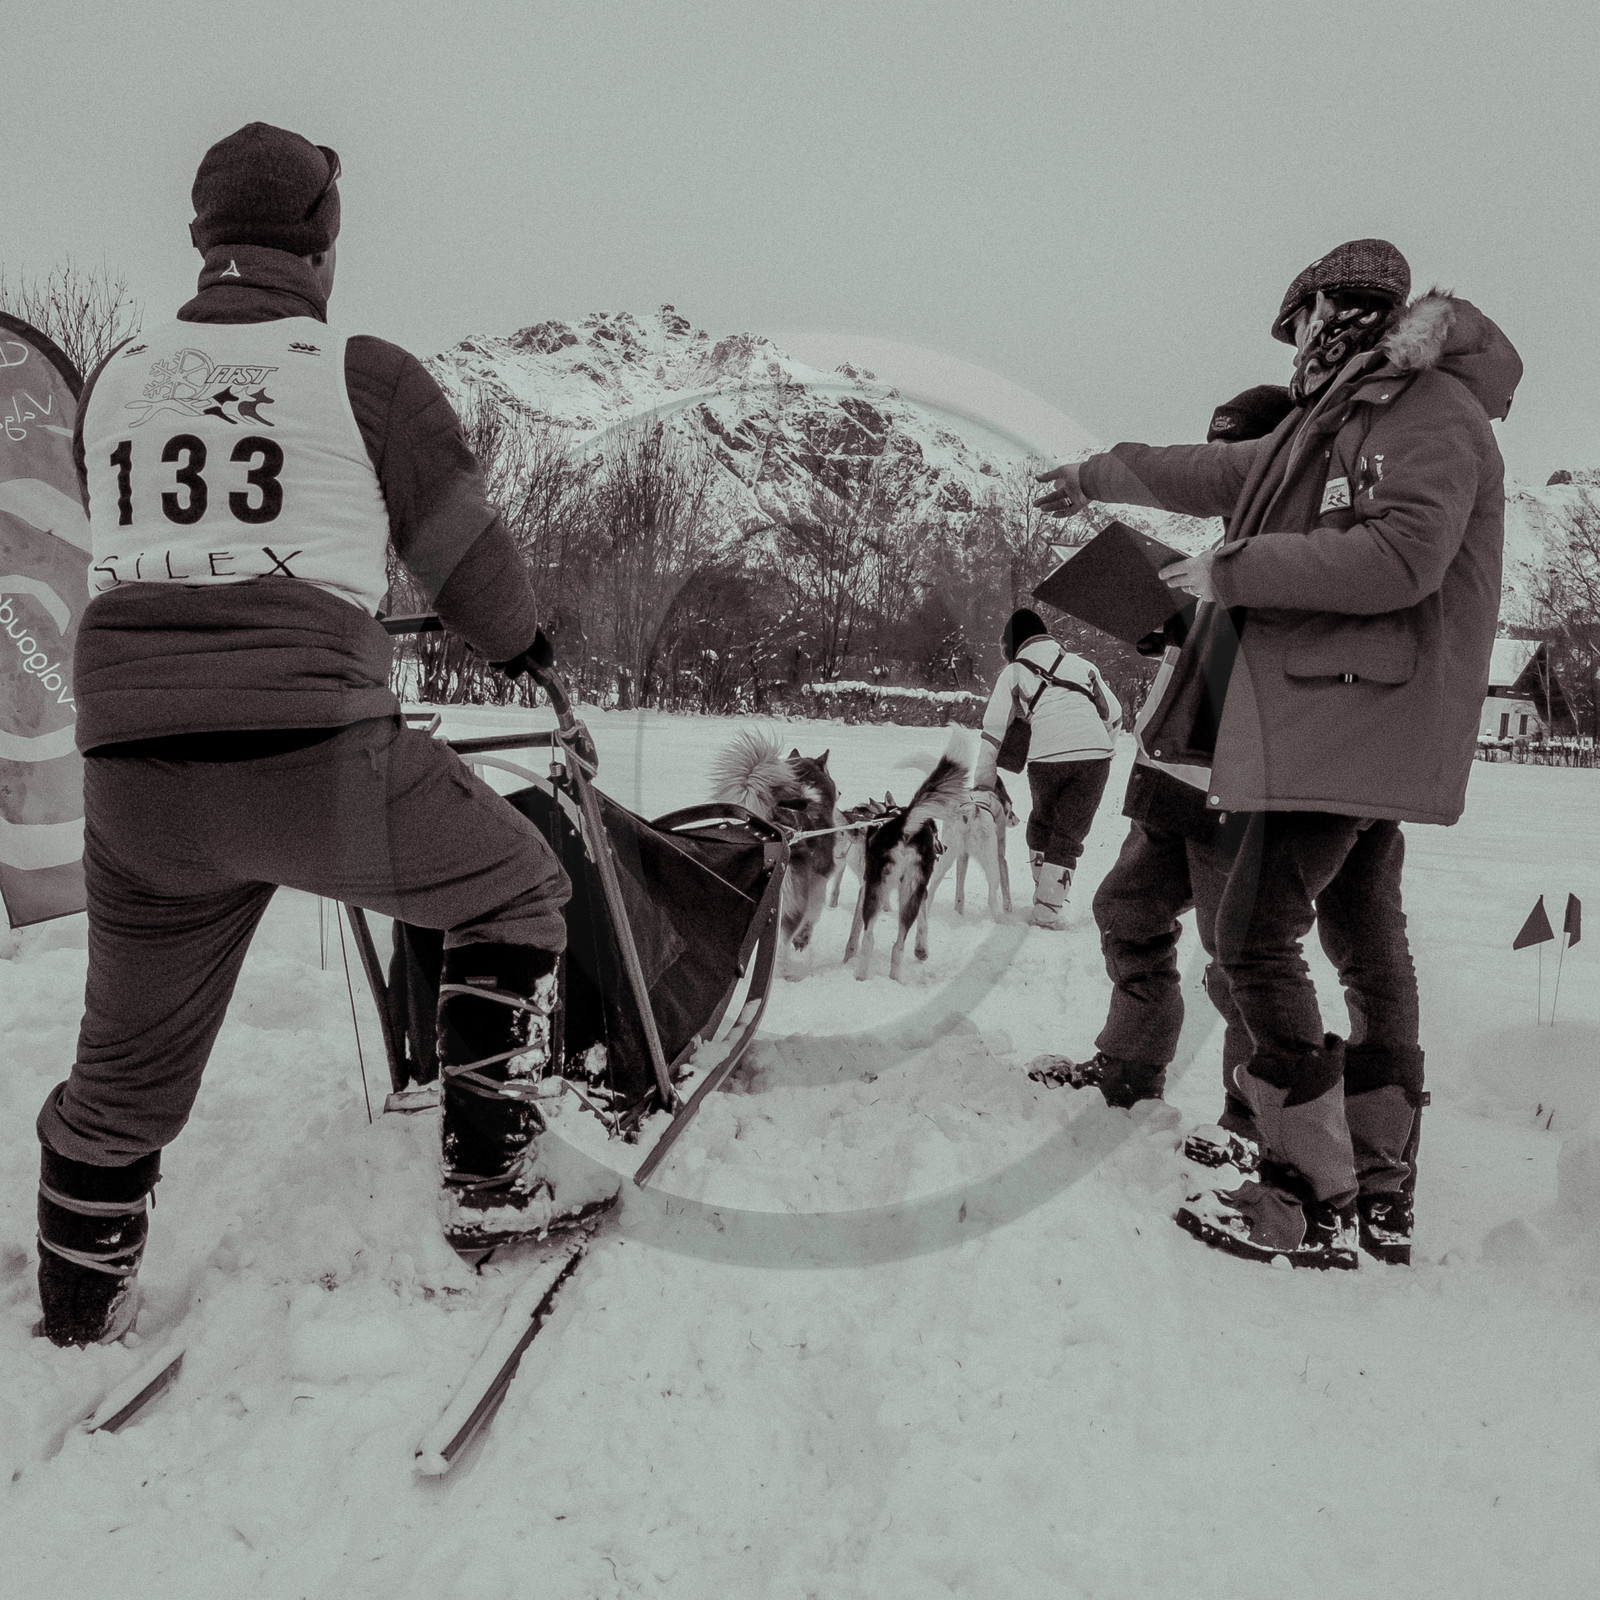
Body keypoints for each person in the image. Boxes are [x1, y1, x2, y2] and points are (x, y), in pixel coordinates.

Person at [35, 123, 591, 1348]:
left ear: (205, 240)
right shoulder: (367, 370)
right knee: (516, 887)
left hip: (134, 781)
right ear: (323, 244)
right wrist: (526, 654)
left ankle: (78, 1297)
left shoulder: (117, 374)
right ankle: (491, 1176)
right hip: (314, 762)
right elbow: (461, 561)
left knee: (126, 1069)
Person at [1035, 239, 1522, 1270]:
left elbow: (1401, 558)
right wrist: (1092, 474)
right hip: (1338, 727)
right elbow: (1212, 468)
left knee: (1254, 936)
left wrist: (1230, 568)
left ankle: (1304, 1191)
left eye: (1300, 322)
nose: (1297, 344)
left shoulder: (1423, 408)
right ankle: (1377, 1183)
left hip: (1346, 727)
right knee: (1358, 945)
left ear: (1332, 313)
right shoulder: (1335, 422)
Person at [1027, 386, 1292, 1113]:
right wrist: (1168, 624)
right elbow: (1202, 658)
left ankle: (1256, 1123)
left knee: (1239, 956)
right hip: (1167, 776)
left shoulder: (1289, 554)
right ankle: (1128, 1069)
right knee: (1126, 911)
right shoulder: (1213, 558)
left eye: (1236, 454)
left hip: (1239, 787)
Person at [973, 609, 1121, 928]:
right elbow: (1115, 714)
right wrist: (1101, 745)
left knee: (1041, 821)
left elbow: (993, 731)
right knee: (1069, 833)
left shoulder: (1013, 672)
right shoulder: (1083, 665)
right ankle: (1048, 905)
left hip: (1046, 758)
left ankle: (1045, 902)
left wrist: (983, 785)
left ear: (1013, 642)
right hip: (1094, 759)